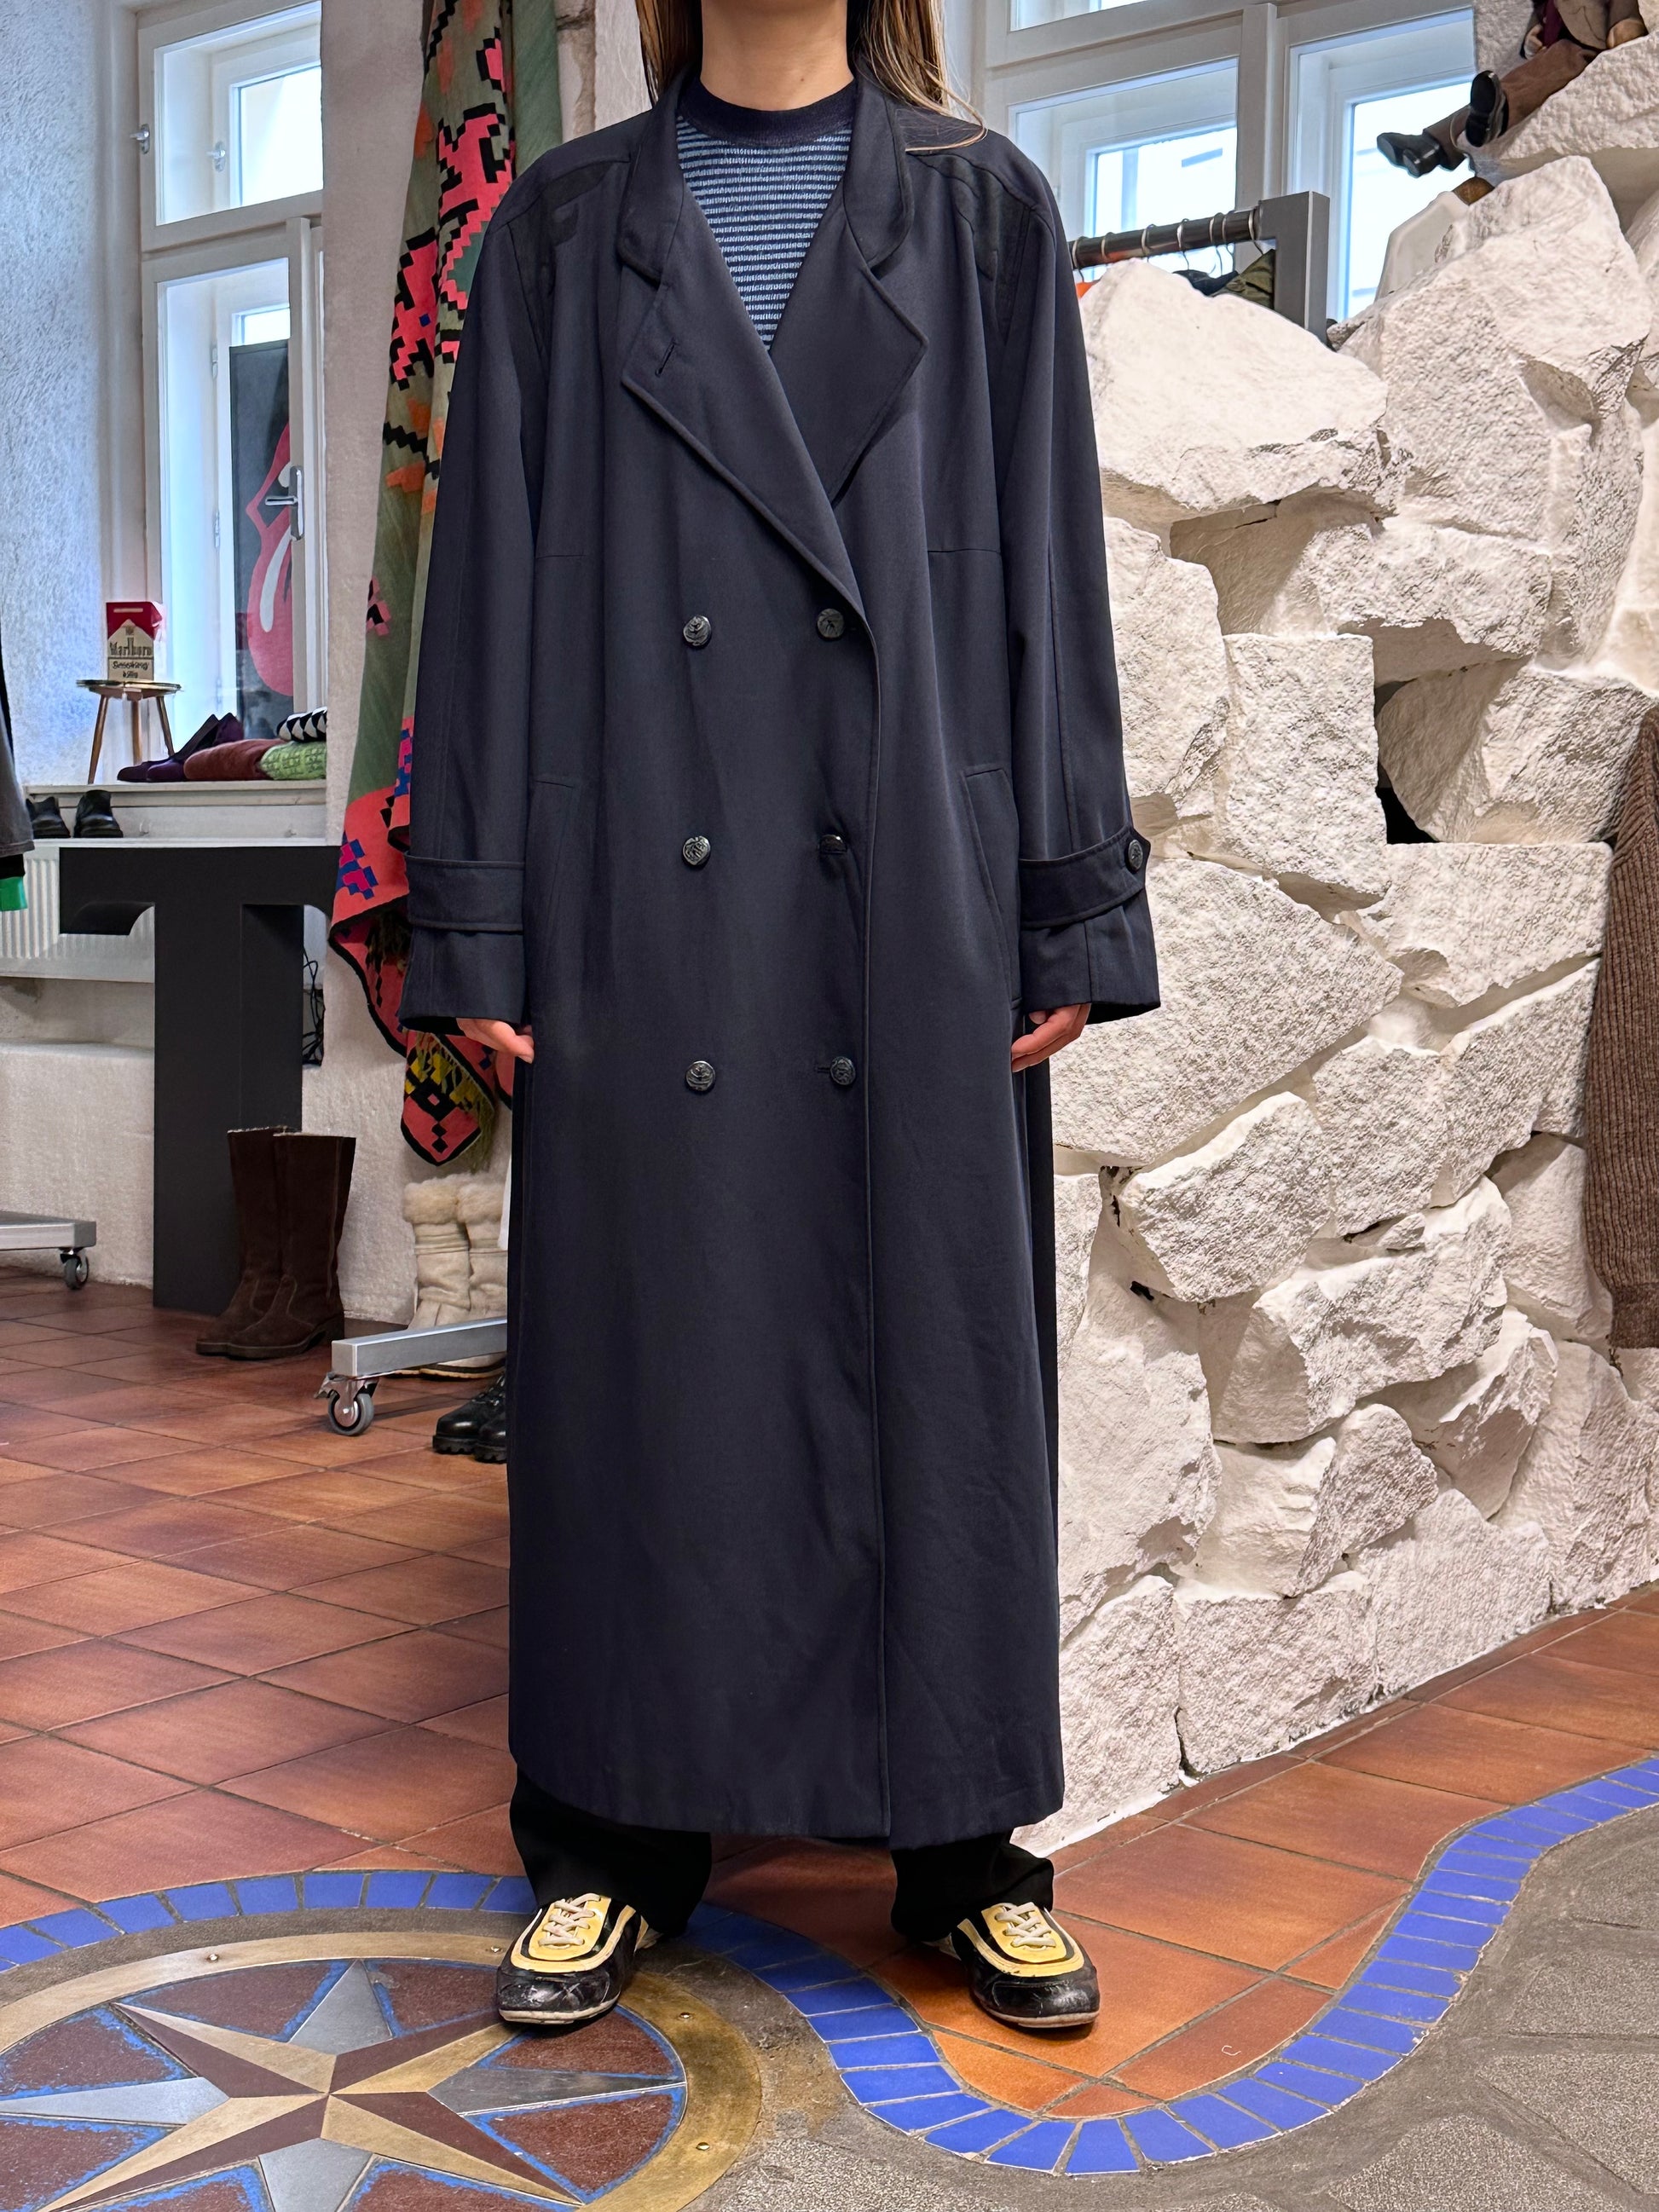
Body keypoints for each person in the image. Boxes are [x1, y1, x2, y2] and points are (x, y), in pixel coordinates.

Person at [399, 0, 1159, 2036]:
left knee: (937, 1358)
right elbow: (488, 596)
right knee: (639, 1368)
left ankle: (966, 1847)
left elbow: (1049, 575)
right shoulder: (560, 232)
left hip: (903, 886)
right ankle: (607, 1834)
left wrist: (1067, 897)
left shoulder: (984, 213)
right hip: (639, 895)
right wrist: (479, 920)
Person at [1378, 0, 1645, 178]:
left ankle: (1496, 114)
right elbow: (1541, 13)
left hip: (1585, 45)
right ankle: (1431, 146)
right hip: (1555, 49)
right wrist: (1532, 35)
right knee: (1506, 87)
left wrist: (1625, 22)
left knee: (1522, 83)